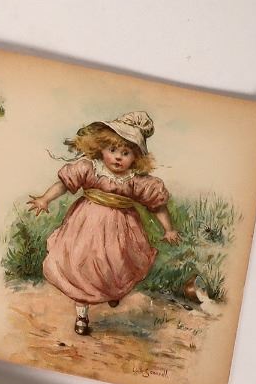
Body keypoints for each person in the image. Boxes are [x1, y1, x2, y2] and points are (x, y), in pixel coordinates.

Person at [25, 112, 176, 336]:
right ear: (100, 148)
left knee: (116, 263)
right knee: (81, 265)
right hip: (85, 225)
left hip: (121, 230)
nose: (118, 158)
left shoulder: (136, 180)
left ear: (136, 157)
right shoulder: (90, 168)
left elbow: (157, 205)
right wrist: (45, 199)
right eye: (112, 150)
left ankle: (112, 291)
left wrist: (169, 229)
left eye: (126, 153)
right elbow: (64, 184)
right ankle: (82, 315)